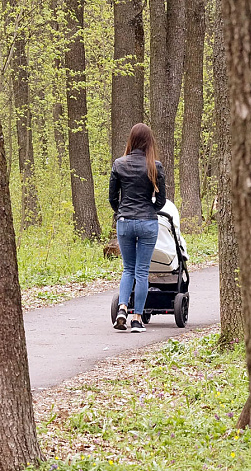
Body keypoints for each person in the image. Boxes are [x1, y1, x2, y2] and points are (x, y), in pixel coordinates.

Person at [109, 123, 167, 332]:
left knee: (128, 269)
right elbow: (161, 201)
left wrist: (122, 210)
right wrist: (149, 209)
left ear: (131, 140)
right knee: (142, 272)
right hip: (147, 222)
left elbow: (112, 197)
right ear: (149, 142)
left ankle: (122, 308)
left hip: (124, 222)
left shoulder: (119, 164)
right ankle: (137, 319)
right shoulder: (155, 166)